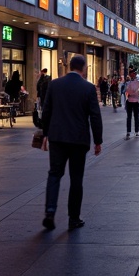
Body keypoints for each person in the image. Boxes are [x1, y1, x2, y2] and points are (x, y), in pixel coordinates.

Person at [40, 53, 103, 231]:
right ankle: (73, 218)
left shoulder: (54, 84)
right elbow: (95, 116)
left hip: (57, 138)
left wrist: (45, 134)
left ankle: (50, 213)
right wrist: (98, 141)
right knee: (76, 178)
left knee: (54, 174)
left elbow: (46, 111)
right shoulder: (88, 88)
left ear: (69, 67)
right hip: (78, 139)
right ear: (83, 68)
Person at [123, 67, 139, 137]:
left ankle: (136, 131)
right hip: (129, 101)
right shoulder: (127, 82)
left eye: (134, 73)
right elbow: (125, 92)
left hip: (136, 101)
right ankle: (128, 131)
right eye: (132, 73)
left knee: (136, 117)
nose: (133, 75)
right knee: (129, 117)